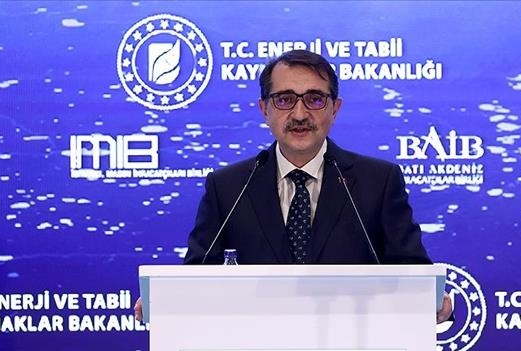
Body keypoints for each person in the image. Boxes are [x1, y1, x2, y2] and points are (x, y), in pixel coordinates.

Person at [137, 49, 452, 322]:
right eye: (285, 100)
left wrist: (429, 300)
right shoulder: (229, 187)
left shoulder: (378, 181)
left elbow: (413, 272)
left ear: (335, 109)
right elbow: (197, 276)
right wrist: (169, 301)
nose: (300, 114)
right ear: (264, 109)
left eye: (314, 99)